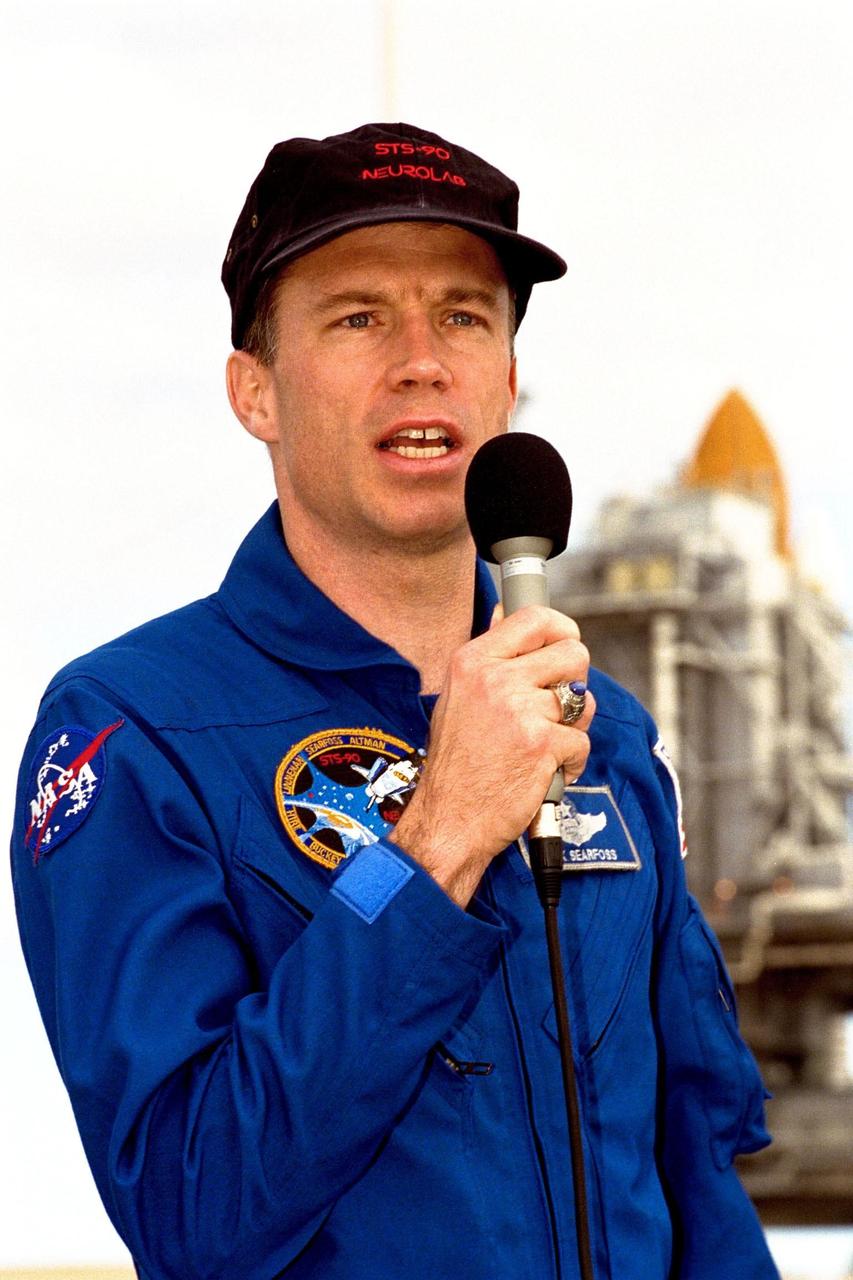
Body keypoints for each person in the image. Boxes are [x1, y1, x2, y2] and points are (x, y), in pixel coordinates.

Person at [11, 122, 779, 1280]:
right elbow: (194, 1207)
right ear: (254, 389)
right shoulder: (131, 731)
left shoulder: (604, 732)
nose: (422, 359)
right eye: (359, 315)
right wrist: (434, 842)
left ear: (508, 380)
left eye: (463, 315)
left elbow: (698, 1177)